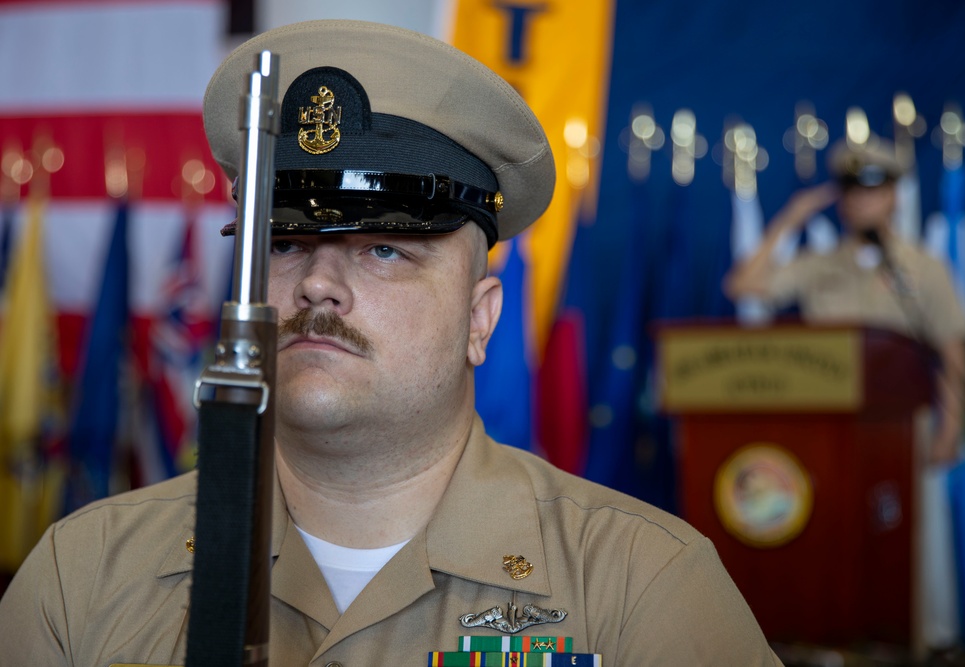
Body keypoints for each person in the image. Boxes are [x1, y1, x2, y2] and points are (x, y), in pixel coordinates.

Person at [0, 20, 779, 665]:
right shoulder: (83, 578)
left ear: (482, 319)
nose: (317, 284)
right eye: (285, 244)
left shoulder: (640, 589)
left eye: (384, 250)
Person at [724, 138, 965, 465]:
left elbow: (953, 351)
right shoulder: (819, 264)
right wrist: (789, 219)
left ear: (893, 197)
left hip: (902, 423)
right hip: (830, 423)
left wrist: (950, 432)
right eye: (852, 191)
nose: (861, 202)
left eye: (871, 191)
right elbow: (741, 285)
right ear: (840, 200)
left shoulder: (926, 268)